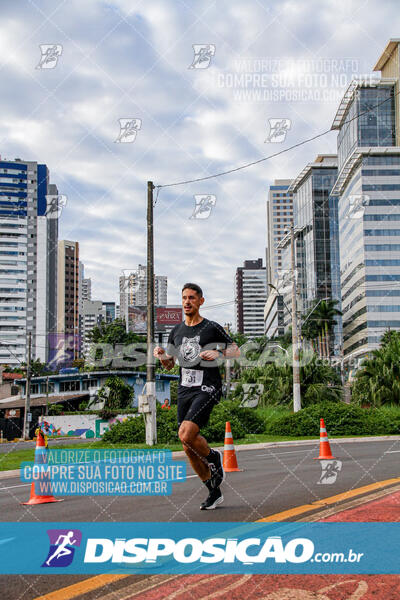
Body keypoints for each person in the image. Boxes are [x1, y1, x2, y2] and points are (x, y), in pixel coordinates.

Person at [153, 283, 240, 510]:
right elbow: (171, 364)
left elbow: (236, 350)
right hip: (184, 389)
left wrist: (218, 352)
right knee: (186, 443)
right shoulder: (177, 331)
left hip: (208, 387)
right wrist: (162, 356)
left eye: (192, 297)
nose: (187, 302)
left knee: (186, 433)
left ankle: (212, 457)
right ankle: (213, 490)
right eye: (184, 298)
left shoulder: (211, 328)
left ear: (201, 301)